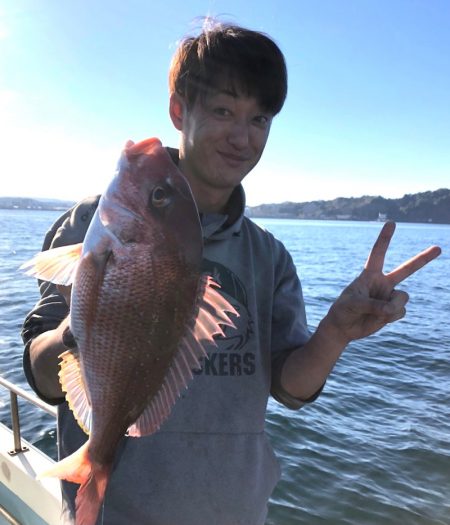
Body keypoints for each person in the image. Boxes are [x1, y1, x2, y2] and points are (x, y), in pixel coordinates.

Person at [21, 21, 441, 525]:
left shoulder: (269, 257)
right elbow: (40, 372)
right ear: (179, 110)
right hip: (118, 512)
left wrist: (337, 332)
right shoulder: (92, 225)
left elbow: (291, 388)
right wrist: (84, 331)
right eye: (223, 110)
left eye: (259, 119)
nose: (242, 137)